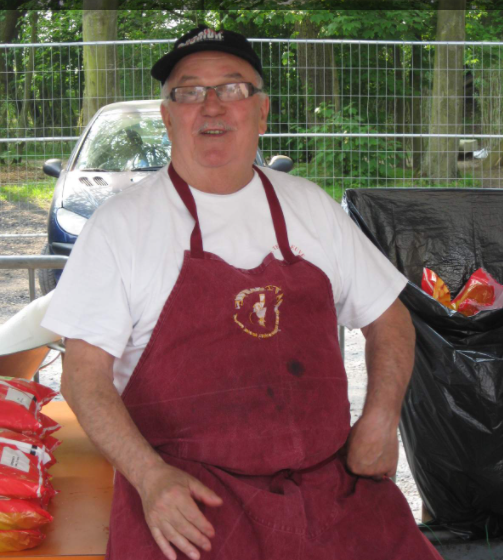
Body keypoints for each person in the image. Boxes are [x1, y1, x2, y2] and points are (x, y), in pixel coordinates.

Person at [42, 25, 443, 560]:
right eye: (188, 91)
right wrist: (148, 477)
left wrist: (379, 418)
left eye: (232, 88)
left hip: (328, 489)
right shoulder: (120, 227)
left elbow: (390, 320)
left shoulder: (309, 207)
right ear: (167, 115)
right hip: (190, 502)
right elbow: (83, 375)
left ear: (262, 112)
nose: (211, 107)